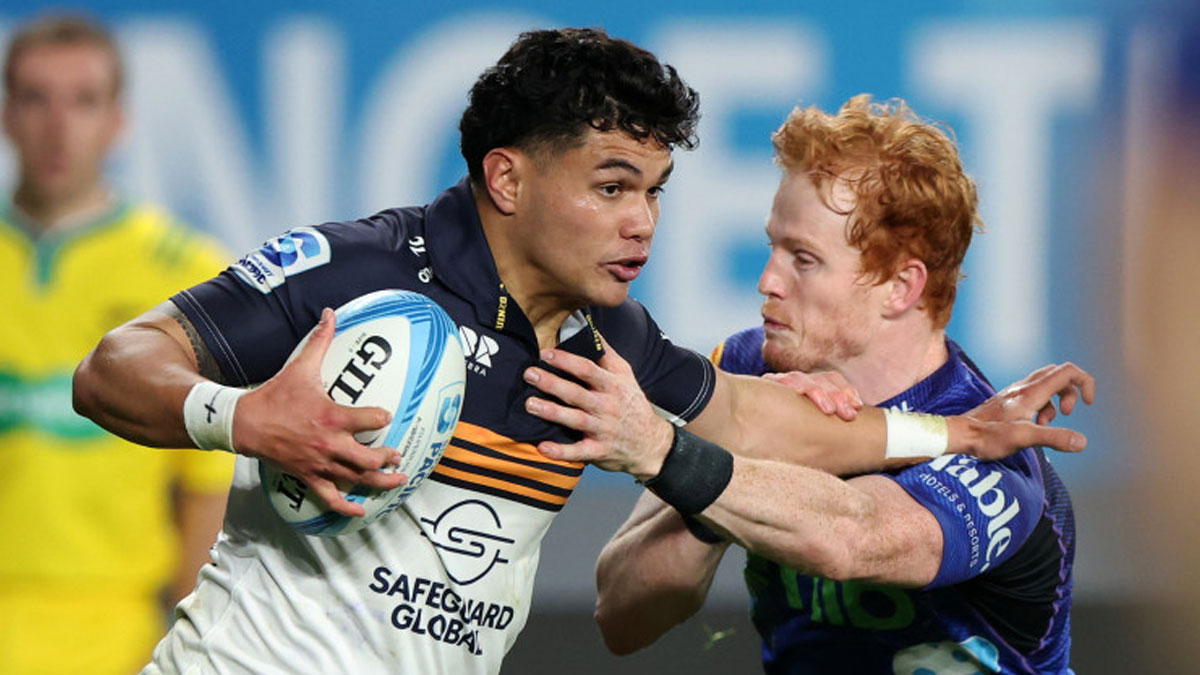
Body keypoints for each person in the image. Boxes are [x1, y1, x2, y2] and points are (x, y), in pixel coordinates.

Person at [72, 29, 1092, 674]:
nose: (643, 222)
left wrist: (952, 432)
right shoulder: (358, 270)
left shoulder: (614, 341)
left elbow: (752, 422)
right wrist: (244, 417)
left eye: (653, 191)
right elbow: (112, 366)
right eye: (612, 187)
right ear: (508, 179)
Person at [587, 95, 1079, 674]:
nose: (767, 280)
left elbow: (849, 536)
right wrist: (733, 452)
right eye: (773, 246)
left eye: (803, 259)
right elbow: (623, 614)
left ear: (900, 287)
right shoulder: (748, 368)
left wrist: (679, 453)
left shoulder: (997, 453)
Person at [0, 15, 234, 675]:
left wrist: (185, 644)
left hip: (121, 636)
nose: (58, 127)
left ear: (118, 120)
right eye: (36, 98)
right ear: (7, 114)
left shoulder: (186, 276)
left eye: (83, 101)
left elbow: (209, 483)